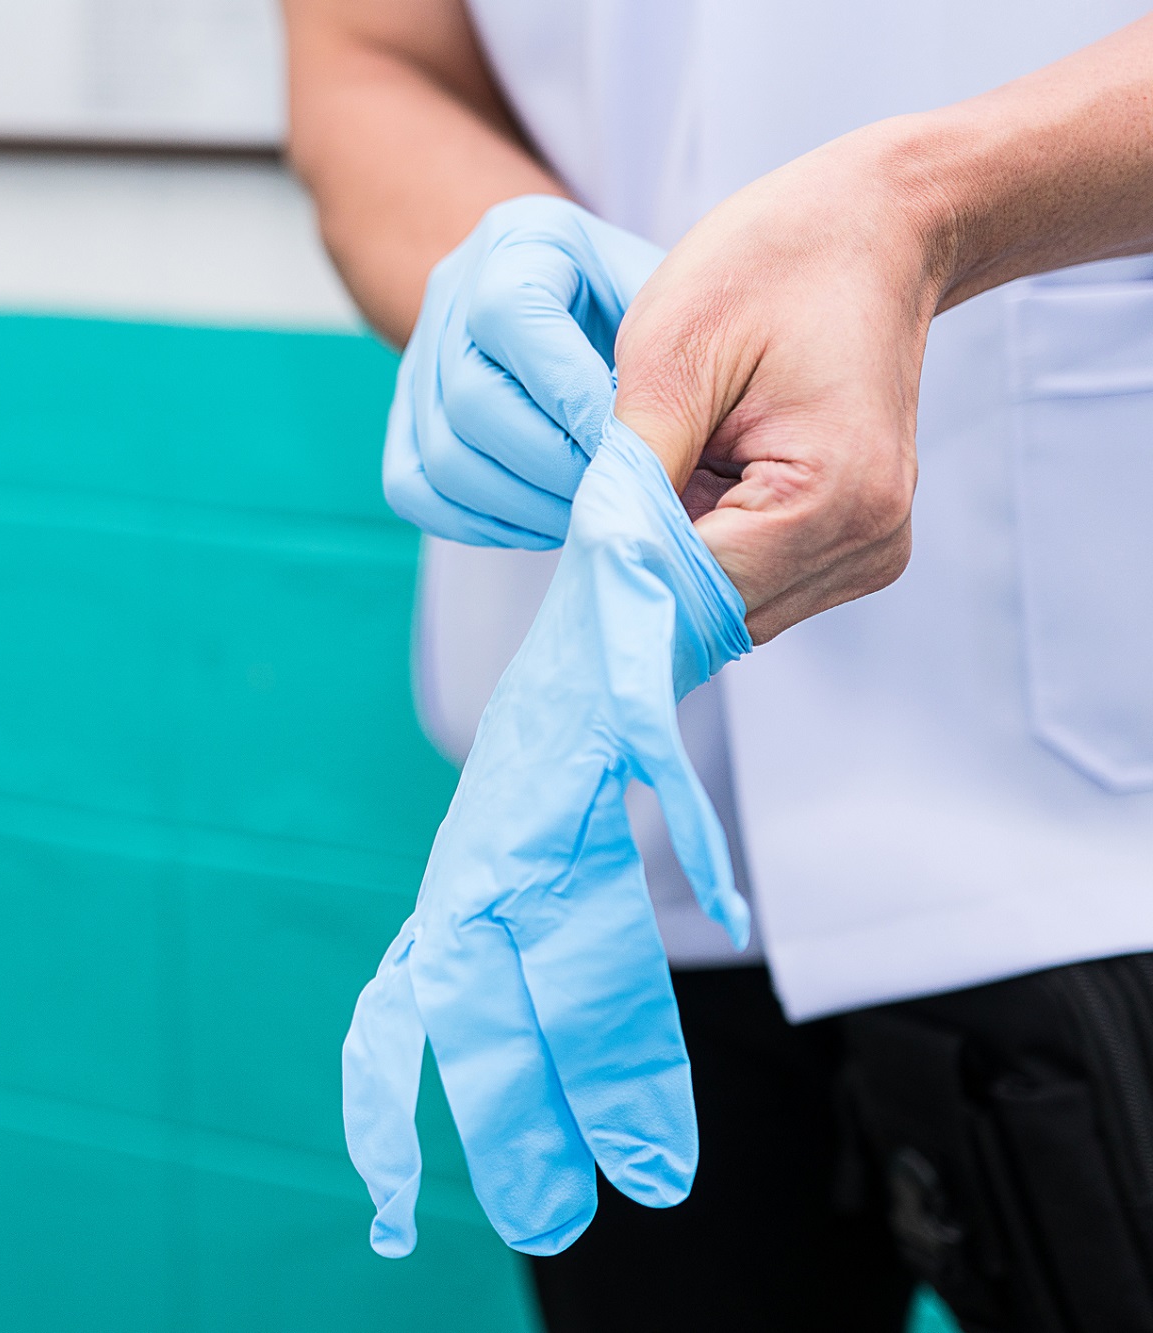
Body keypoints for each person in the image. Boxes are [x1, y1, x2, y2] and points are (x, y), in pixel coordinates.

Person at [282, 2, 1153, 1330]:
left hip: (1092, 785)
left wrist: (929, 206)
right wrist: (513, 282)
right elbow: (373, 64)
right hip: (624, 838)